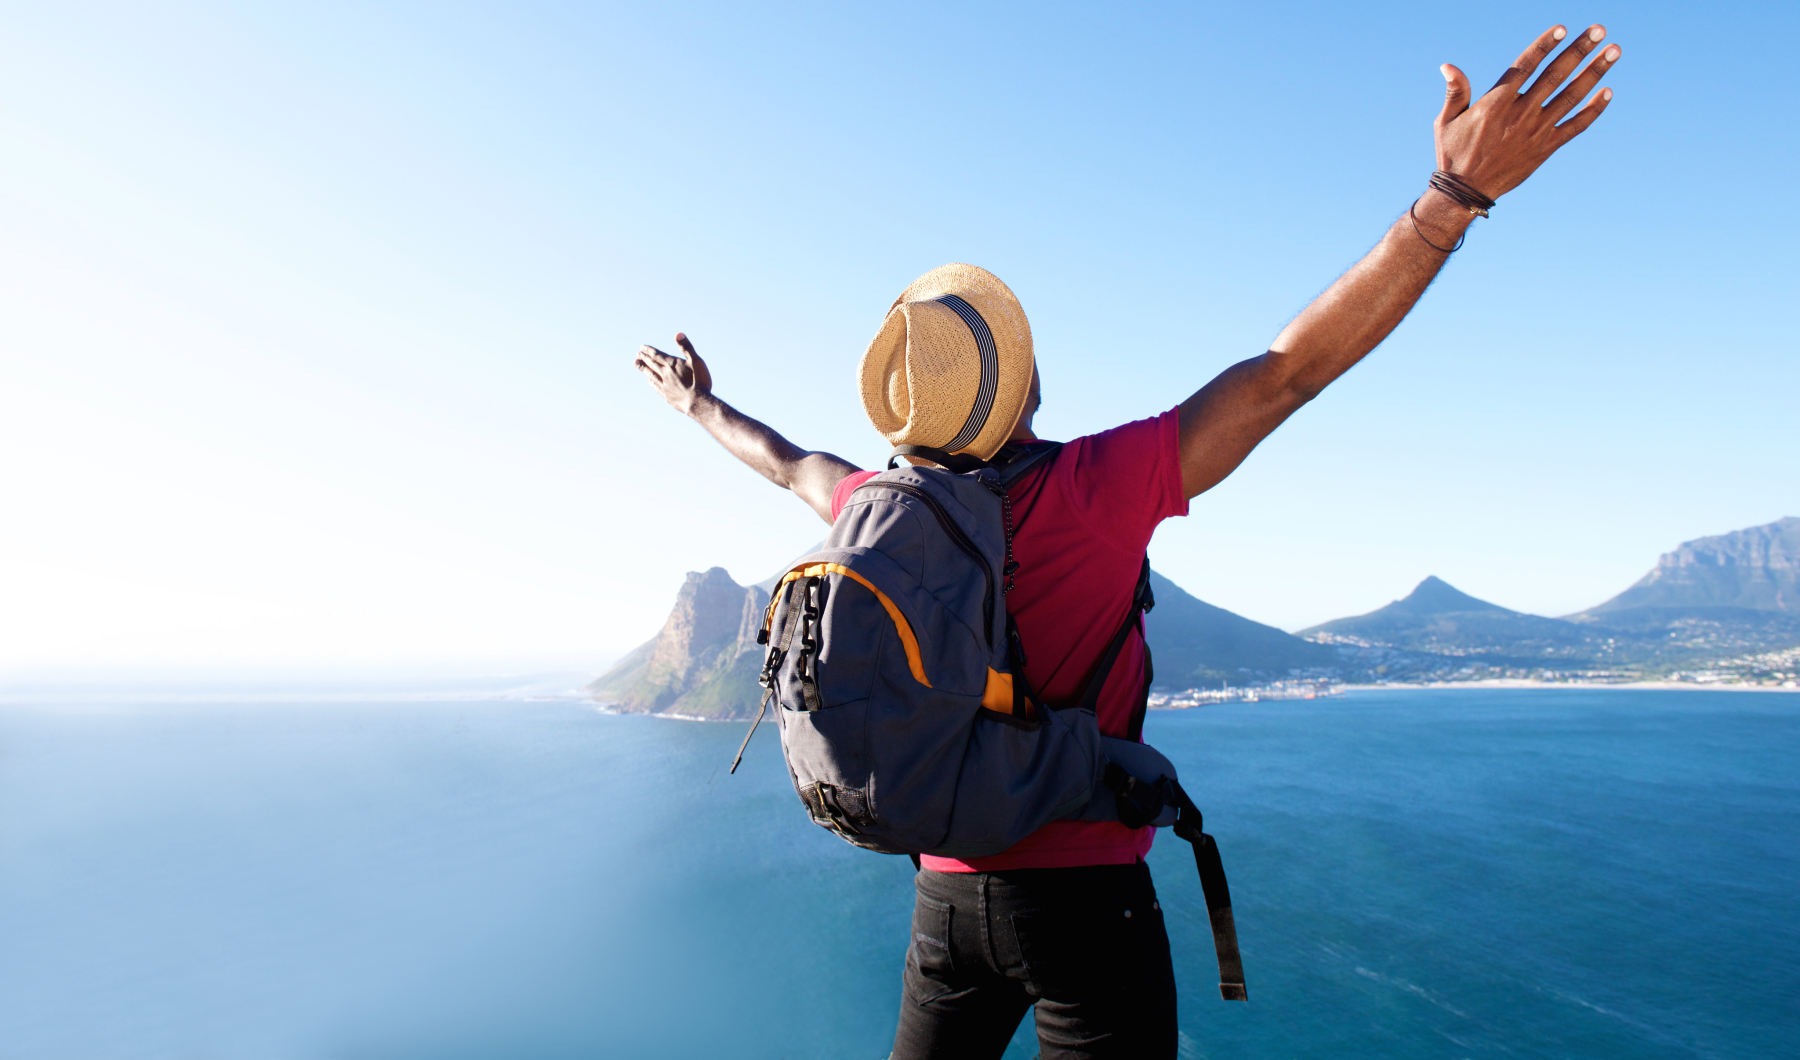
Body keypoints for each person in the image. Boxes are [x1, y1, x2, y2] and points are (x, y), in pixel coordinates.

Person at [631, 23, 1620, 1060]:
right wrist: (1450, 199)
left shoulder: (877, 505)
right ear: (1025, 384)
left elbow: (788, 459)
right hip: (1086, 903)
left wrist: (699, 407)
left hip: (945, 904)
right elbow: (1290, 370)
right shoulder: (1097, 487)